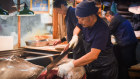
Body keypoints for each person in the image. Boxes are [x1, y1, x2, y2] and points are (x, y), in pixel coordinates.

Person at [57, 1, 118, 79]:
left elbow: (93, 55)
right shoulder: (84, 22)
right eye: (78, 18)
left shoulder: (101, 29)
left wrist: (71, 64)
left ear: (91, 16)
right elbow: (77, 27)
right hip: (92, 67)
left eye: (81, 19)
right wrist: (74, 36)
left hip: (105, 70)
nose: (79, 21)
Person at [105, 10, 138, 79]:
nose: (108, 21)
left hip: (126, 44)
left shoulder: (115, 20)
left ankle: (125, 76)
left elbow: (107, 32)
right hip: (132, 42)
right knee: (129, 63)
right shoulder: (120, 17)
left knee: (123, 64)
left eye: (107, 19)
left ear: (110, 16)